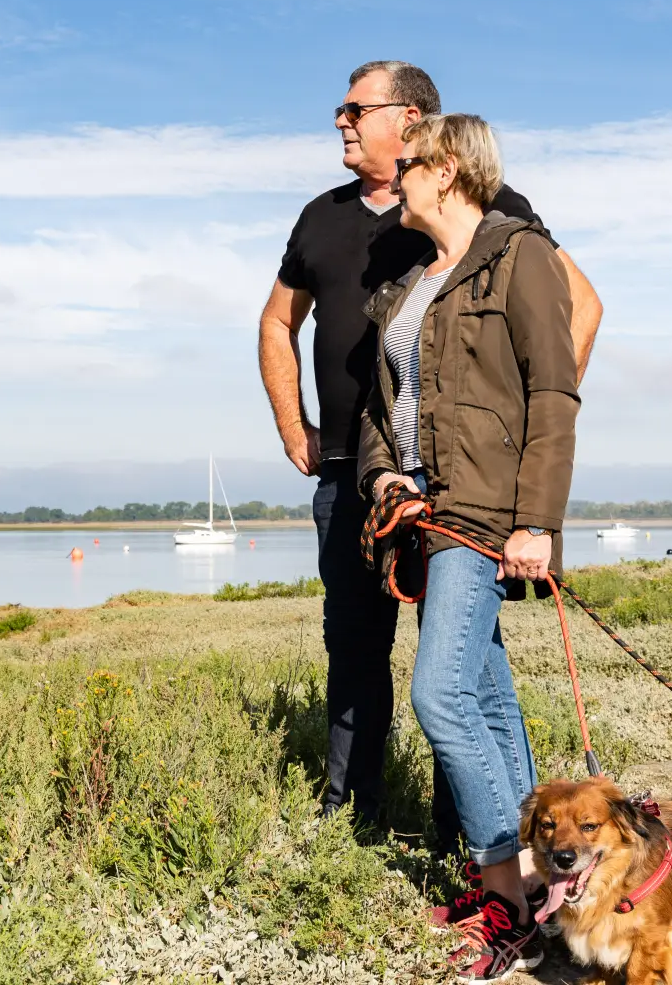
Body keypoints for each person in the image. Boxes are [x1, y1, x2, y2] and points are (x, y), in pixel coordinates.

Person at [257, 61, 601, 845]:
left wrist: (503, 440)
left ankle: (481, 850)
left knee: (452, 683)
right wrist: (296, 428)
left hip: (464, 497)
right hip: (362, 479)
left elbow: (573, 324)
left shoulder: (492, 219)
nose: (339, 120)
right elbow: (281, 325)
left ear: (411, 124)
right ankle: (361, 819)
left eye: (354, 108)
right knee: (359, 652)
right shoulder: (327, 221)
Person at [359, 113, 578, 983]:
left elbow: (552, 393)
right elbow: (384, 409)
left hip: (486, 513)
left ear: (447, 170)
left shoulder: (519, 254)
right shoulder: (412, 282)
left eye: (406, 166)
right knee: (485, 703)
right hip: (424, 514)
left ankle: (506, 886)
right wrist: (384, 481)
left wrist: (539, 521)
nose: (394, 181)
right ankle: (548, 892)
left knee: (438, 694)